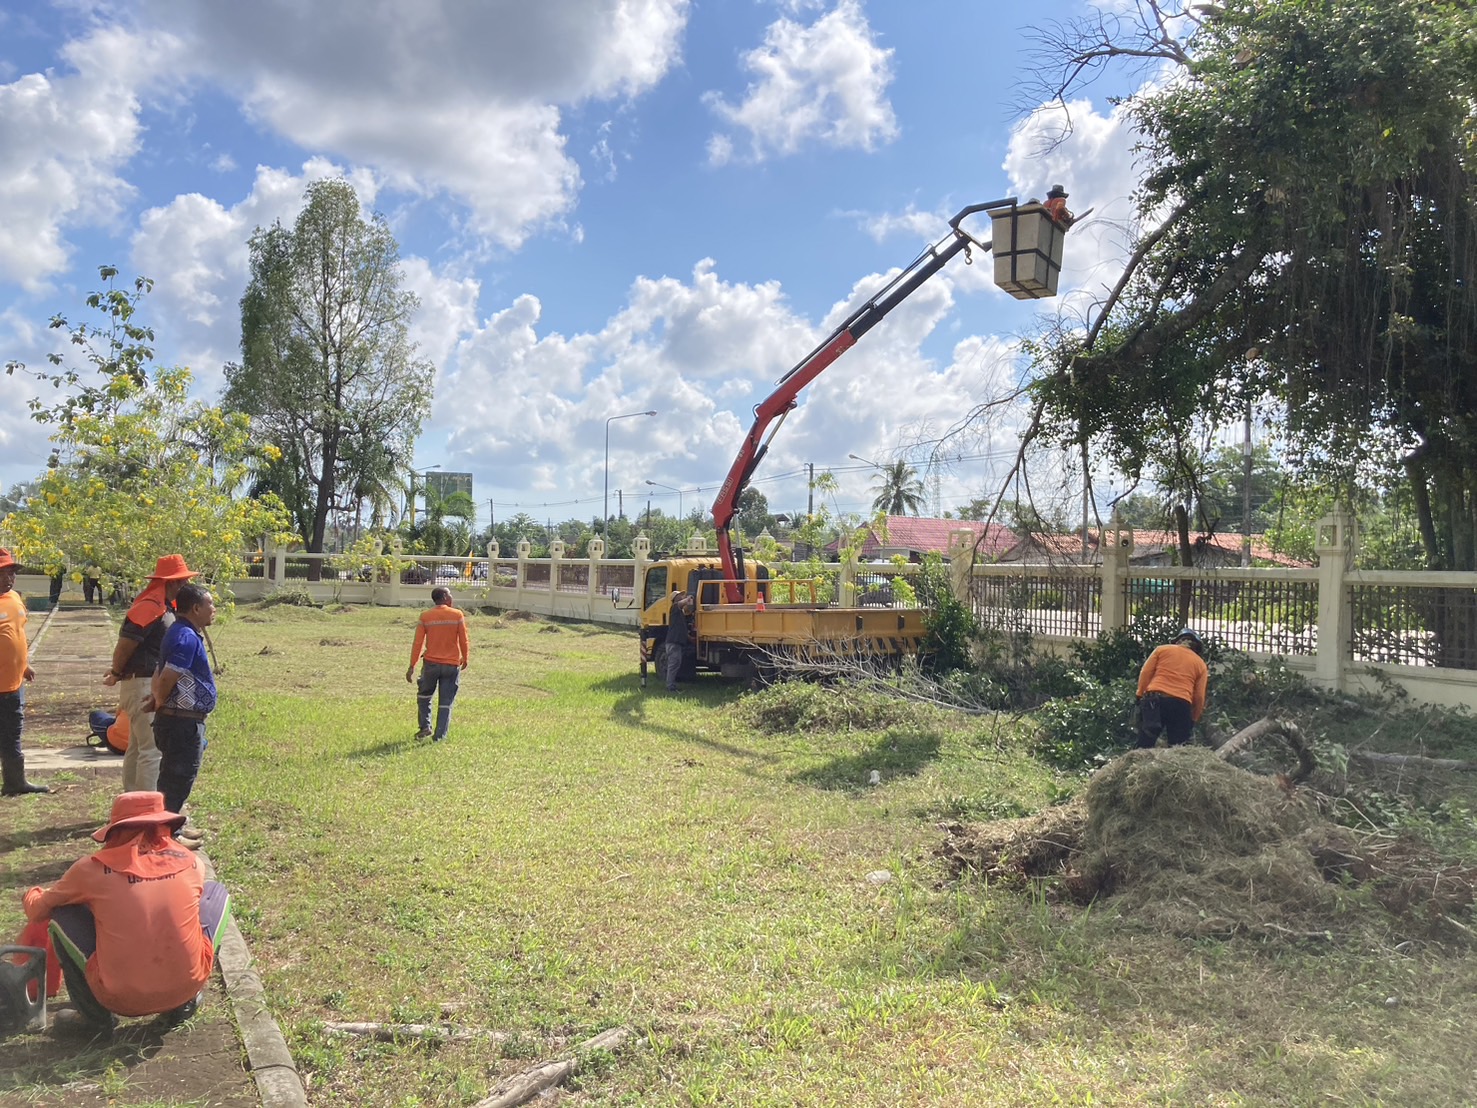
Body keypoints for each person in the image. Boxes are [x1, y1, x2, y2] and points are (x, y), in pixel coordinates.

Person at [22, 791, 230, 1030]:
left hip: (118, 997)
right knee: (215, 894)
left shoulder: (90, 870)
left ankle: (93, 1019)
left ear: (115, 830)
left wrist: (34, 893)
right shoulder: (191, 863)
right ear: (163, 826)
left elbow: (38, 911)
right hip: (186, 987)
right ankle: (182, 1004)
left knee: (62, 914)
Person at [104, 554, 198, 793]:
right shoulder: (150, 607)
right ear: (172, 582)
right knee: (152, 751)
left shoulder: (161, 606)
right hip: (143, 684)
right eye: (183, 581)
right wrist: (116, 671)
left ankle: (133, 802)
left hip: (143, 683)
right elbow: (125, 644)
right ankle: (148, 808)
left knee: (138, 748)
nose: (186, 585)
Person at [150, 583, 217, 836]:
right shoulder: (185, 636)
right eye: (210, 604)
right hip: (181, 724)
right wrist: (159, 700)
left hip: (181, 720)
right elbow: (168, 675)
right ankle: (167, 836)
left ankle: (172, 827)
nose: (214, 609)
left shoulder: (181, 631)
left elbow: (160, 671)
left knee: (174, 779)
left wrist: (157, 699)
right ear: (196, 608)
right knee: (176, 781)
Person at [1, 548, 48, 796]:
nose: (8, 579)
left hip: (14, 682)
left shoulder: (14, 599)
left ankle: (15, 782)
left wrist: (24, 664)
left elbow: (18, 633)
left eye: (11, 573)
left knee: (12, 734)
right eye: (2, 574)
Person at [406, 586, 469, 741]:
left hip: (431, 664)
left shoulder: (426, 616)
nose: (452, 597)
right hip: (451, 665)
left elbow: (418, 643)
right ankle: (439, 736)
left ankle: (425, 727)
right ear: (445, 597)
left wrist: (412, 665)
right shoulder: (457, 615)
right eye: (450, 595)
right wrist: (465, 658)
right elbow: (464, 639)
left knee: (424, 696)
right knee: (446, 702)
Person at [1135, 627, 1210, 748]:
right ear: (1196, 648)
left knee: (1145, 742)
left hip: (1155, 701)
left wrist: (1139, 695)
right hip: (1181, 705)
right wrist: (1193, 718)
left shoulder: (1161, 650)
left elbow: (1145, 673)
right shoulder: (1200, 664)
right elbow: (1199, 696)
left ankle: (1138, 758)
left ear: (1177, 641)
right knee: (1177, 748)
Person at [664, 592, 695, 693]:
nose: (682, 596)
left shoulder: (680, 613)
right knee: (673, 665)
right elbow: (682, 603)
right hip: (673, 643)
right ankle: (670, 687)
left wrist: (691, 639)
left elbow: (682, 631)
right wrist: (689, 598)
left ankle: (671, 685)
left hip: (676, 643)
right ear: (675, 598)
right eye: (680, 595)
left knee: (675, 665)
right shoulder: (674, 608)